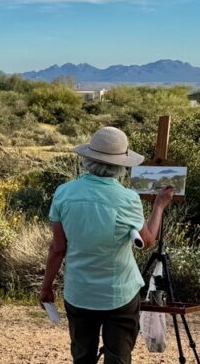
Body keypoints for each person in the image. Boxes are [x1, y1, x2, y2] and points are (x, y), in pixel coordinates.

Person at [39, 126, 175, 364]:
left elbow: (57, 249)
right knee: (118, 357)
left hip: (79, 291)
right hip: (119, 292)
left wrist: (46, 287)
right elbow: (148, 240)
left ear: (88, 159)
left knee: (82, 356)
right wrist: (160, 206)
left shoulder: (63, 193)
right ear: (121, 165)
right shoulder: (127, 198)